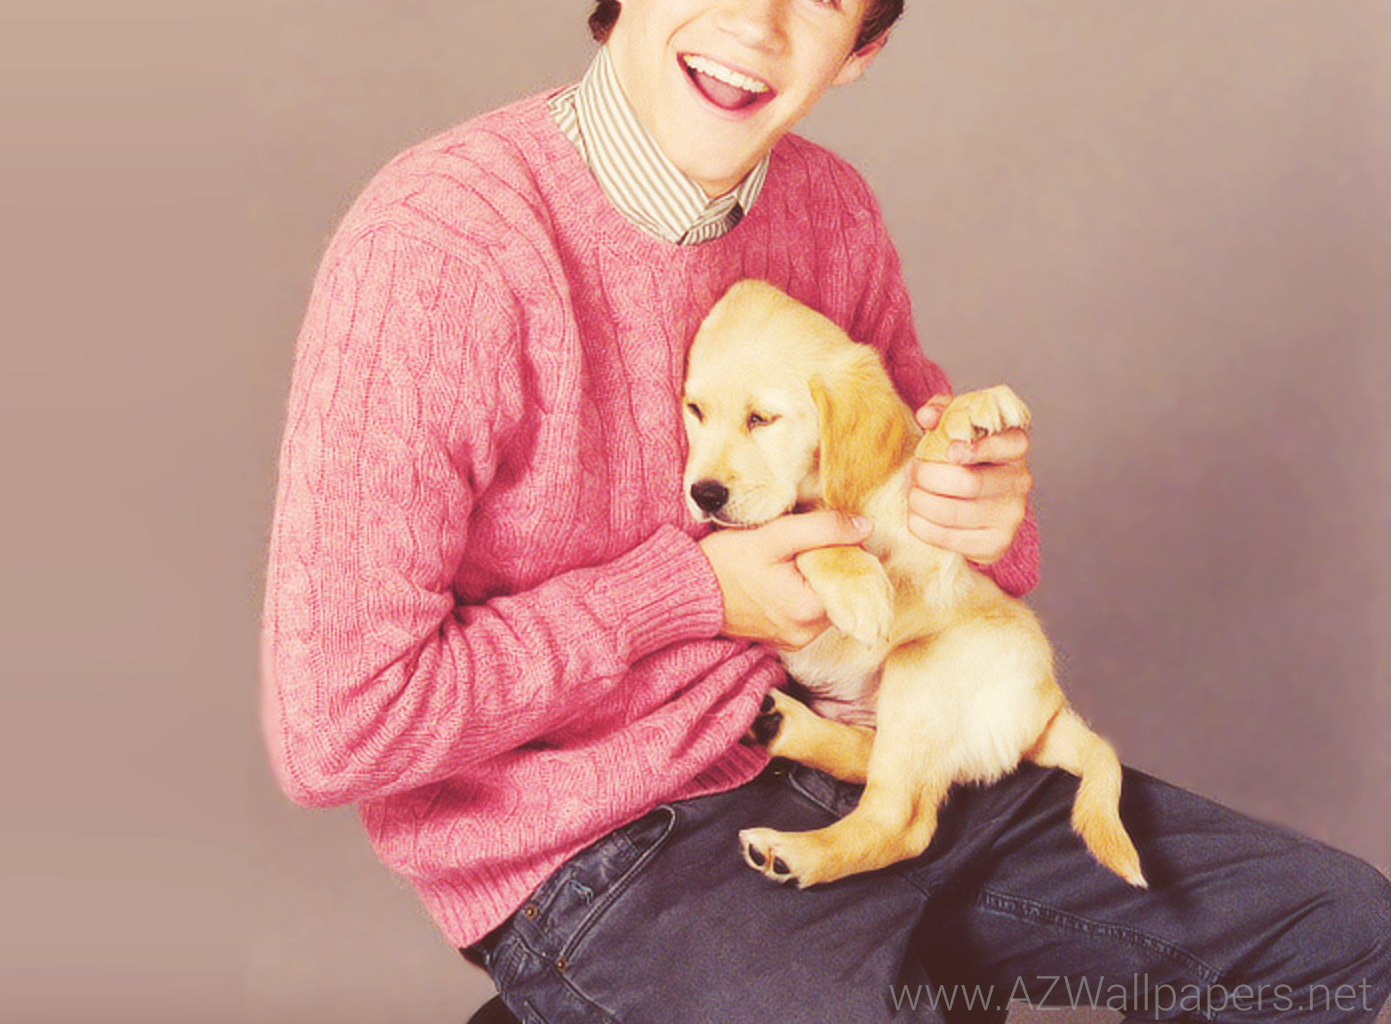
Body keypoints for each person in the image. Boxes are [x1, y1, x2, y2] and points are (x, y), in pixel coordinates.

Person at [257, 1, 1391, 1020]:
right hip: (600, 848)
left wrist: (976, 513)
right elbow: (339, 726)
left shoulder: (829, 210)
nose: (755, 22)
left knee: (1339, 932)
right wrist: (693, 594)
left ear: (862, 49)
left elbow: (917, 516)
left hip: (867, 743)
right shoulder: (441, 249)